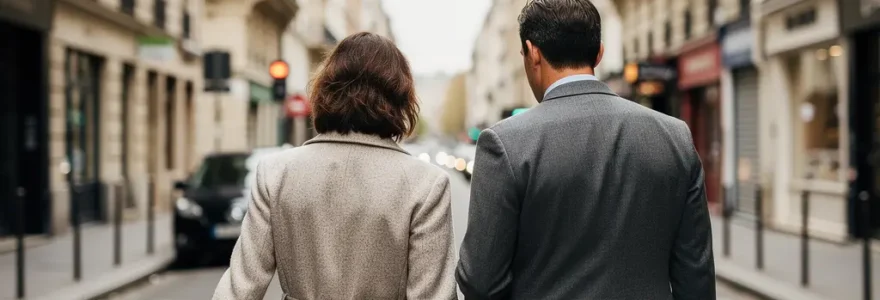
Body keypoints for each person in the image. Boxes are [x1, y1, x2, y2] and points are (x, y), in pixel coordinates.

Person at [456, 0, 716, 299]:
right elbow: (696, 278)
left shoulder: (505, 144)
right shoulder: (675, 137)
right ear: (599, 53)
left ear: (533, 53)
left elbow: (480, 281)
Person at [213, 32, 457, 300]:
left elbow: (240, 288)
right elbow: (433, 295)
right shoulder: (426, 183)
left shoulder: (275, 173)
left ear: (325, 90)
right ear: (400, 99)